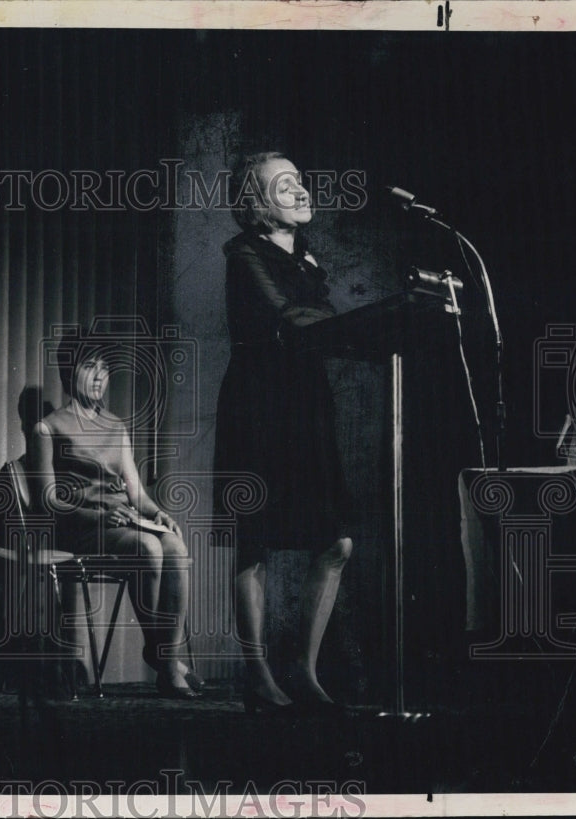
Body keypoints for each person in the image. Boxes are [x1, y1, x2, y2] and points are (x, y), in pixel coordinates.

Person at [214, 152, 354, 713]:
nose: (300, 190)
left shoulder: (308, 260)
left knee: (337, 541)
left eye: (301, 178)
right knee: (255, 541)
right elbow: (285, 318)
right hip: (259, 406)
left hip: (307, 405)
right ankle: (257, 674)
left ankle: (303, 668)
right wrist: (352, 327)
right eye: (285, 184)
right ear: (257, 202)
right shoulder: (244, 254)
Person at [30, 335, 204, 698]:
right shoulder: (48, 427)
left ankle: (163, 656)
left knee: (174, 544)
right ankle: (168, 663)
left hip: (123, 522)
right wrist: (98, 514)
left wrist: (160, 513)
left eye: (105, 369)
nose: (99, 377)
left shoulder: (114, 425)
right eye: (89, 367)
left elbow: (136, 492)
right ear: (69, 371)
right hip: (80, 527)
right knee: (148, 548)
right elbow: (47, 500)